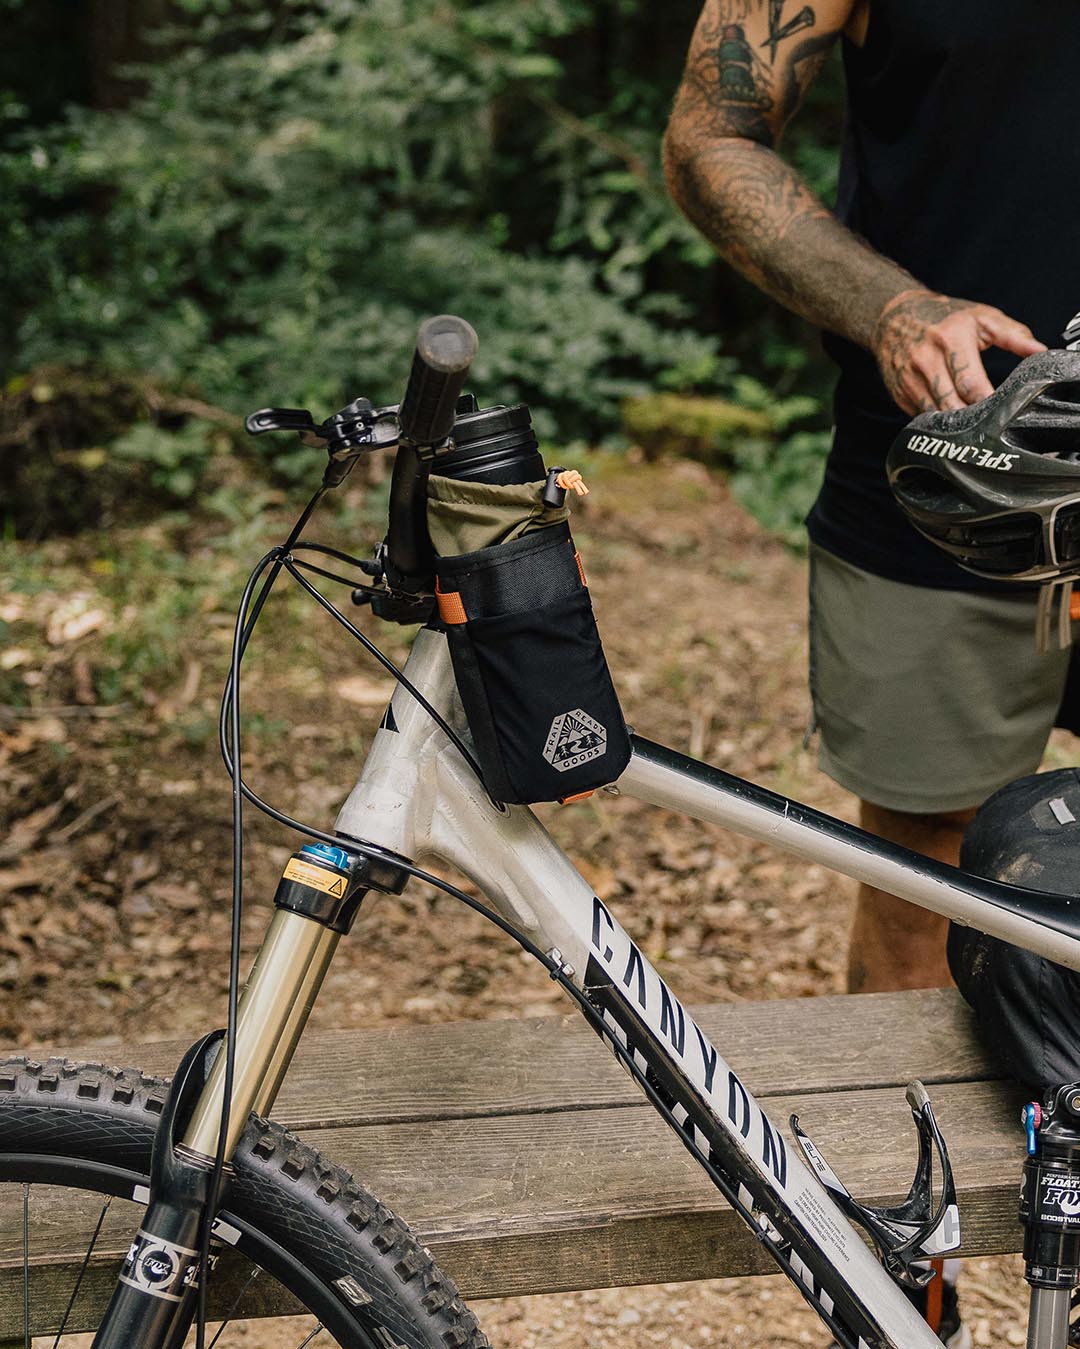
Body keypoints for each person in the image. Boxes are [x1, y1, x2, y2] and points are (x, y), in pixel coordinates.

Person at [663, 0, 1079, 1000]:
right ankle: (915, 1113)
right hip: (950, 474)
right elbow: (710, 137)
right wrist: (894, 313)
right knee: (929, 876)